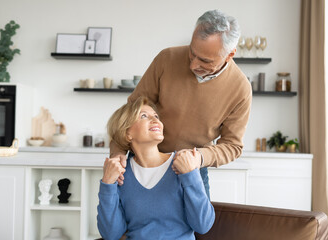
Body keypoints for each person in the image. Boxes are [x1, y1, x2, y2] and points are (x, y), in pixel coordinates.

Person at [110, 9, 252, 197]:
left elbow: (233, 146)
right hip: (143, 163)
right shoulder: (166, 59)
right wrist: (118, 150)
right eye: (192, 53)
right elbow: (133, 109)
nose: (193, 65)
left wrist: (198, 158)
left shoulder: (240, 89)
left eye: (205, 60)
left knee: (198, 226)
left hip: (190, 171)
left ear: (230, 54)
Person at [97, 97, 215, 239]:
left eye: (156, 116)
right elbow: (111, 234)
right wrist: (107, 184)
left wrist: (190, 175)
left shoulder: (183, 165)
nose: (155, 120)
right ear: (127, 133)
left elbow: (203, 225)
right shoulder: (121, 174)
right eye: (144, 116)